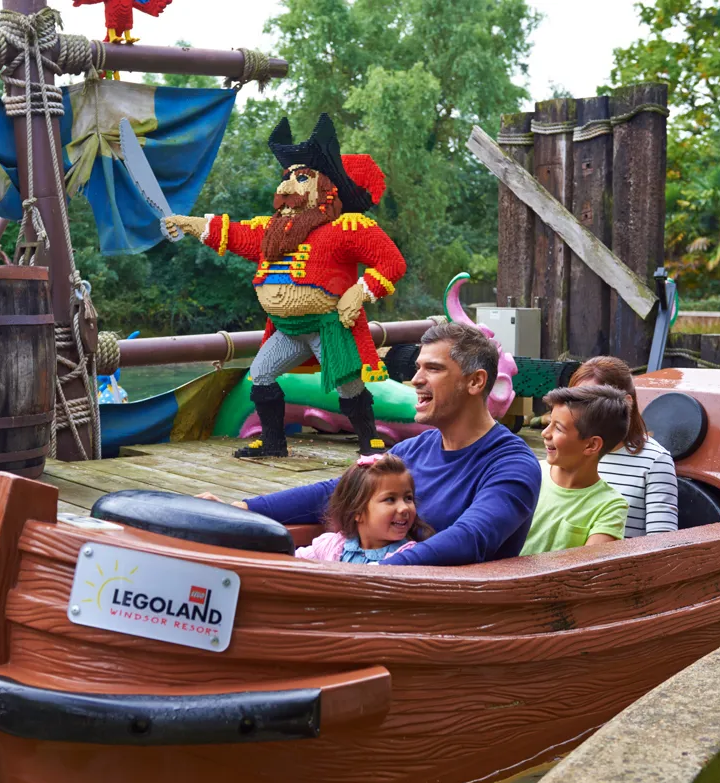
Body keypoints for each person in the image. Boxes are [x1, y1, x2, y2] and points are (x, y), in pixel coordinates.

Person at [200, 322, 542, 566]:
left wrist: (377, 572)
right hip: (379, 592)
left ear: (475, 382)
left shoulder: (511, 464)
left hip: (444, 614)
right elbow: (337, 491)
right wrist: (240, 510)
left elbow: (471, 538)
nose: (416, 380)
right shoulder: (413, 450)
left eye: (433, 369)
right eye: (417, 367)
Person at [165, 113, 406, 458]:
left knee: (348, 384)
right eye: (287, 177)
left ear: (326, 187)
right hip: (288, 328)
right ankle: (274, 443)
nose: (286, 188)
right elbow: (235, 233)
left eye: (302, 177)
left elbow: (392, 263)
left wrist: (360, 291)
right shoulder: (272, 230)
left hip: (328, 327)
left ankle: (371, 441)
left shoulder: (349, 226)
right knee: (261, 374)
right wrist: (189, 223)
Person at [569, 356, 679, 537]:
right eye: (573, 402)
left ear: (626, 403)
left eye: (589, 403)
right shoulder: (567, 451)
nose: (578, 413)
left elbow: (662, 547)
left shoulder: (656, 461)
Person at [520, 386, 631, 555]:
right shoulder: (530, 473)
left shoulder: (610, 506)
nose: (544, 433)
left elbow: (587, 569)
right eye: (549, 423)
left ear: (592, 445)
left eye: (558, 428)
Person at [295, 454, 431, 564]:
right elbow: (291, 561)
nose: (403, 508)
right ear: (357, 511)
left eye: (408, 498)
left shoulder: (407, 557)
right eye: (390, 499)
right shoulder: (334, 546)